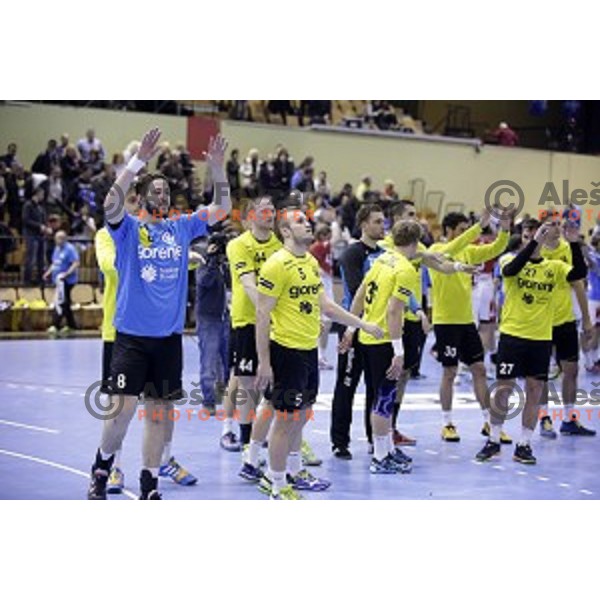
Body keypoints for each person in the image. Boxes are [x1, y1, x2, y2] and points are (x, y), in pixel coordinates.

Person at [87, 128, 230, 500]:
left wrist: (217, 169)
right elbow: (110, 204)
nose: (162, 194)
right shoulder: (127, 230)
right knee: (121, 412)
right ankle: (102, 466)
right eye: (156, 190)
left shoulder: (182, 227)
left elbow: (223, 209)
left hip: (167, 340)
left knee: (158, 415)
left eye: (166, 190)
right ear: (142, 196)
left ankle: (149, 483)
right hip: (131, 339)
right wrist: (136, 163)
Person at [254, 206, 383, 499]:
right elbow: (262, 316)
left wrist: (361, 323)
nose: (308, 224)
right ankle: (275, 483)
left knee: (301, 415)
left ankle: (293, 470)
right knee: (285, 420)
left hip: (308, 350)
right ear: (285, 231)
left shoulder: (310, 263)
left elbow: (326, 305)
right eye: (300, 222)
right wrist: (264, 362)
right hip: (285, 351)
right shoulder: (276, 265)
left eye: (307, 220)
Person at [94, 191, 200, 493]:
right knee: (119, 410)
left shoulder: (163, 233)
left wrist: (182, 259)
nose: (133, 206)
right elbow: (110, 265)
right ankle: (113, 467)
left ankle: (161, 463)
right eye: (128, 201)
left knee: (161, 408)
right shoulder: (110, 233)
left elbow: (168, 264)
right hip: (120, 331)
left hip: (161, 332)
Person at [476, 219, 588, 464]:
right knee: (504, 388)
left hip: (540, 339)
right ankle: (493, 439)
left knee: (535, 390)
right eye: (527, 236)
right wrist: (534, 241)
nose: (533, 240)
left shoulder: (554, 267)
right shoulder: (509, 260)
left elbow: (579, 273)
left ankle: (524, 444)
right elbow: (511, 271)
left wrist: (574, 244)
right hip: (512, 337)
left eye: (537, 235)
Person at [429, 210, 511, 442]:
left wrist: (504, 228)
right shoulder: (436, 251)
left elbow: (496, 249)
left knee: (480, 370)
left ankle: (488, 421)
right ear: (449, 230)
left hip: (466, 322)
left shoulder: (469, 251)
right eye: (461, 229)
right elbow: (451, 249)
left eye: (468, 229)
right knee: (449, 372)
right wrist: (477, 227)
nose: (466, 233)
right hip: (445, 322)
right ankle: (447, 423)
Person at [225, 196, 282, 469]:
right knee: (246, 382)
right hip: (247, 320)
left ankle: (265, 439)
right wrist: (266, 306)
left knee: (272, 384)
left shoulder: (280, 246)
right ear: (249, 216)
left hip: (276, 324)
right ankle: (247, 441)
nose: (270, 214)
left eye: (273, 210)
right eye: (264, 210)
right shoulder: (238, 245)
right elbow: (248, 284)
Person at [329, 204, 386, 459]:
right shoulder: (352, 254)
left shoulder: (385, 254)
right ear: (364, 224)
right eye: (377, 221)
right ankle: (340, 441)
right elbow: (356, 290)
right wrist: (354, 326)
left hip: (376, 329)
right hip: (353, 327)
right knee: (347, 384)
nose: (382, 226)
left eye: (383, 221)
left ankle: (377, 440)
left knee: (377, 386)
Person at [537, 213, 595, 437]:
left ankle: (569, 419)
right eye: (553, 224)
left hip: (565, 320)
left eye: (560, 224)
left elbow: (579, 285)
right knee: (539, 373)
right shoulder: (536, 251)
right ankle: (544, 418)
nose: (558, 228)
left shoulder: (568, 250)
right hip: (540, 323)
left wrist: (587, 321)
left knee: (571, 370)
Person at [43, 230, 79, 336]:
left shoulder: (70, 249)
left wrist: (66, 274)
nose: (56, 240)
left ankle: (55, 324)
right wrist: (48, 272)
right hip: (58, 282)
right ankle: (72, 325)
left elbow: (76, 263)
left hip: (67, 281)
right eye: (56, 238)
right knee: (66, 303)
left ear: (64, 238)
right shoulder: (57, 249)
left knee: (61, 302)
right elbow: (55, 263)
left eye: (58, 238)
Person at [310, 223, 335, 369]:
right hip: (322, 282)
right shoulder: (318, 246)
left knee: (327, 323)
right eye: (328, 235)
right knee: (323, 321)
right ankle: (319, 355)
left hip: (328, 281)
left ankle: (321, 355)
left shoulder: (325, 247)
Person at [22, 183, 52, 284]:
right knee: (31, 258)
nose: (43, 196)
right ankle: (27, 280)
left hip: (40, 235)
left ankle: (40, 279)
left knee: (41, 259)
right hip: (31, 235)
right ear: (36, 194)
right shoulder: (28, 205)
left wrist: (47, 227)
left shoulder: (41, 207)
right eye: (42, 194)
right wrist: (40, 226)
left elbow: (44, 220)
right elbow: (26, 220)